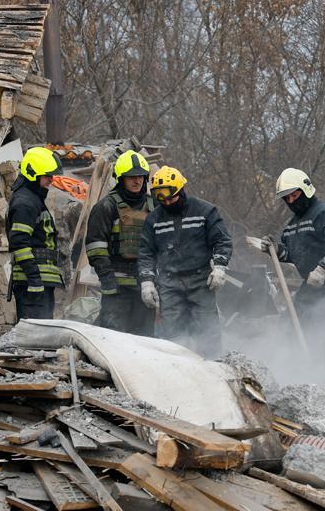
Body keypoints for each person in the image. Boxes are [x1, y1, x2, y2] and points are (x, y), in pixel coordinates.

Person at [248, 168, 325, 343]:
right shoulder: (291, 226)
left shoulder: (324, 213)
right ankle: (296, 364)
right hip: (312, 284)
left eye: (294, 196)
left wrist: (322, 268)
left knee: (323, 327)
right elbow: (294, 254)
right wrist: (275, 249)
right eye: (287, 198)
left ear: (306, 190)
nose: (291, 201)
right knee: (290, 323)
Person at [137, 166, 233, 357]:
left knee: (208, 332)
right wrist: (147, 282)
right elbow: (146, 253)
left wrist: (220, 266)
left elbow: (222, 240)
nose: (167, 202)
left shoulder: (204, 211)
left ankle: (213, 367)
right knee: (173, 337)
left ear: (180, 190)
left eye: (171, 197)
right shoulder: (154, 219)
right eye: (162, 199)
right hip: (169, 284)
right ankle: (179, 369)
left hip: (200, 282)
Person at [85, 149, 155, 336]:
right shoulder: (106, 207)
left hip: (146, 287)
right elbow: (95, 246)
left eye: (141, 176)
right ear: (120, 178)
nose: (137, 181)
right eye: (131, 177)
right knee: (113, 336)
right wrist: (107, 279)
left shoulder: (154, 207)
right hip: (116, 288)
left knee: (145, 338)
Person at [7, 146, 63, 320]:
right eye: (47, 175)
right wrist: (34, 278)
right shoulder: (25, 202)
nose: (51, 180)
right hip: (32, 283)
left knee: (42, 336)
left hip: (38, 281)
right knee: (34, 337)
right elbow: (19, 243)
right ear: (33, 174)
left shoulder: (33, 199)